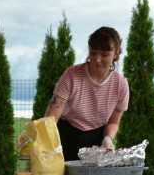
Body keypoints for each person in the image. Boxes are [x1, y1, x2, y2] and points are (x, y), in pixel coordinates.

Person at [45, 26, 129, 161]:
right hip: (65, 134)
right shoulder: (71, 75)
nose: (97, 59)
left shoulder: (121, 85)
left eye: (104, 54)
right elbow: (53, 112)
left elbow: (114, 122)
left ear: (116, 54)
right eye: (93, 53)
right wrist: (45, 139)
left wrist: (108, 139)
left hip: (96, 140)